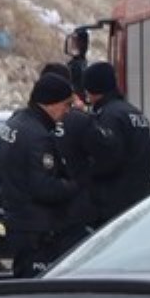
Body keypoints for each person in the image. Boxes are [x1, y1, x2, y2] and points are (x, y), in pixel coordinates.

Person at [0, 75, 81, 278]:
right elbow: (43, 187)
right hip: (37, 230)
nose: (68, 111)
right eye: (66, 104)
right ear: (50, 103)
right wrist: (74, 186)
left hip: (18, 222)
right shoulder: (38, 136)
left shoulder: (16, 122)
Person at [40, 62, 114, 238]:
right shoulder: (80, 120)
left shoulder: (22, 123)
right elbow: (109, 157)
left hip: (37, 219)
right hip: (75, 214)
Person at [83, 61, 150, 227]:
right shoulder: (134, 112)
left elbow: (107, 160)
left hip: (115, 204)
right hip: (140, 199)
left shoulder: (107, 117)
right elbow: (149, 160)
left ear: (94, 88)